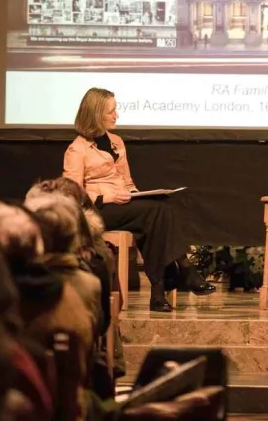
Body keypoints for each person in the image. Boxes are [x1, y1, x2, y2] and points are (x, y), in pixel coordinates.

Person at [62, 87, 215, 312]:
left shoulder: (116, 142)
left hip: (122, 205)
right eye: (111, 112)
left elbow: (127, 180)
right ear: (95, 114)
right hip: (97, 209)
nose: (117, 116)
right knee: (156, 213)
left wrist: (137, 195)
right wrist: (107, 196)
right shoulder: (76, 150)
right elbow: (71, 193)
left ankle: (159, 292)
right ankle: (182, 271)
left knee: (160, 209)